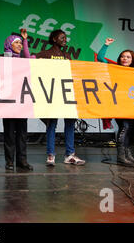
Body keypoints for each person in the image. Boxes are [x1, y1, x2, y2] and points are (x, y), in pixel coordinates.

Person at [35, 29, 85, 166]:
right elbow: (30, 61)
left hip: (67, 94)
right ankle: (50, 155)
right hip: (52, 94)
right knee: (51, 124)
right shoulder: (45, 54)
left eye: (66, 38)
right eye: (62, 37)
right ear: (54, 39)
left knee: (70, 124)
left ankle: (70, 155)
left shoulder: (67, 56)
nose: (65, 40)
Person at [97, 38, 134, 167]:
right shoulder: (114, 68)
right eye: (123, 56)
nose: (125, 59)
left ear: (132, 60)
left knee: (129, 129)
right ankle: (121, 157)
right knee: (124, 127)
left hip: (130, 105)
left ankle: (128, 155)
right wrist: (106, 45)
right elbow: (100, 58)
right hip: (118, 104)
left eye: (128, 57)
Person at [0, 29, 35, 172]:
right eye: (17, 43)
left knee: (22, 133)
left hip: (22, 102)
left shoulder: (24, 61)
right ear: (9, 44)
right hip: (8, 102)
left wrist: (25, 40)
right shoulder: (3, 59)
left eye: (21, 43)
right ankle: (9, 161)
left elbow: (28, 57)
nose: (20, 45)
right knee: (9, 133)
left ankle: (22, 160)